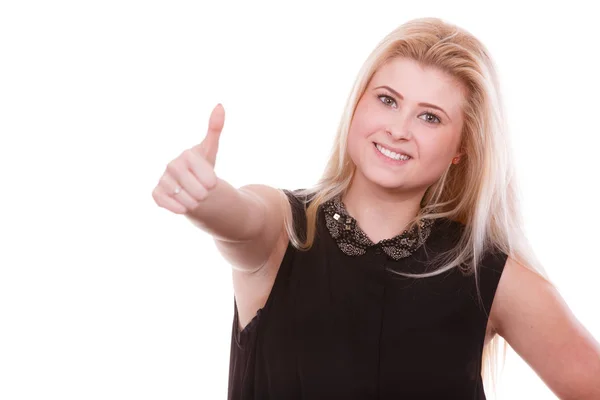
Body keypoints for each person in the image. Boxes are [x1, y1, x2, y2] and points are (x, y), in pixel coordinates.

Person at [152, 17, 600, 400]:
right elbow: (240, 220)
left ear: (460, 148)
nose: (398, 129)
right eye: (387, 100)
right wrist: (206, 200)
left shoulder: (487, 274)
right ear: (357, 106)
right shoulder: (284, 228)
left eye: (430, 117)